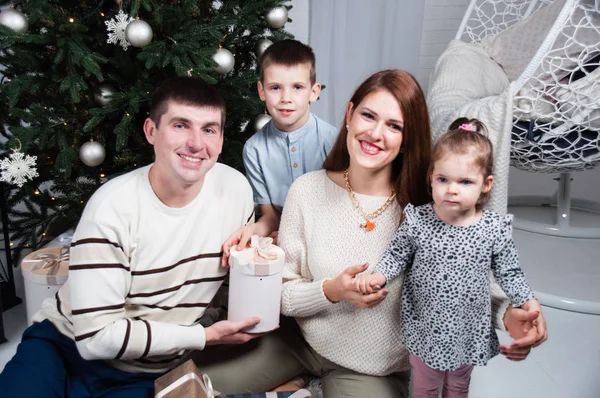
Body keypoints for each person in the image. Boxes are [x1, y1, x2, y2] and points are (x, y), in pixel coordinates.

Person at [195, 70, 548, 398]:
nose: (376, 134)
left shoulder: (428, 210)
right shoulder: (306, 191)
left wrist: (508, 316)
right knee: (189, 385)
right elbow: (281, 293)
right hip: (297, 343)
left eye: (394, 125)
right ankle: (299, 381)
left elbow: (464, 286)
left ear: (408, 138)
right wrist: (332, 291)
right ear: (349, 115)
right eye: (368, 116)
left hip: (373, 370)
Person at [0, 76, 265, 397]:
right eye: (181, 125)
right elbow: (96, 339)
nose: (196, 143)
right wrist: (202, 336)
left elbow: (230, 281)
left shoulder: (235, 190)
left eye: (209, 129)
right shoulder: (111, 208)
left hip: (150, 371)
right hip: (64, 347)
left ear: (221, 139)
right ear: (151, 131)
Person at [354, 118, 541, 398]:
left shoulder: (493, 228)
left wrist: (528, 300)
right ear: (431, 177)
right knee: (425, 387)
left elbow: (509, 272)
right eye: (443, 179)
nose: (452, 189)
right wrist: (378, 276)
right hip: (426, 325)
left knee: (458, 386)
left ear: (486, 184)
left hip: (468, 326)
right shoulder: (419, 220)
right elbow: (397, 254)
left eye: (465, 181)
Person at [221, 39, 338, 263]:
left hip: (328, 237)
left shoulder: (333, 140)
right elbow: (271, 216)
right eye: (275, 88)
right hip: (282, 239)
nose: (286, 98)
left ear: (313, 92)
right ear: (261, 91)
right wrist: (252, 230)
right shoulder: (254, 150)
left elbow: (341, 208)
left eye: (297, 87)